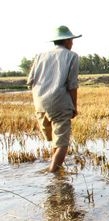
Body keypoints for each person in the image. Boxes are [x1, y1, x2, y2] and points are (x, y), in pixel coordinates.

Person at [27, 26, 82, 172]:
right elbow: (72, 85)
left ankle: (54, 168)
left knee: (55, 142)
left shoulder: (40, 56)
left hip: (39, 104)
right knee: (63, 143)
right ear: (67, 40)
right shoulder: (72, 56)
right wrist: (74, 107)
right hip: (59, 103)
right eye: (71, 40)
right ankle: (54, 177)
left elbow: (30, 81)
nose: (72, 43)